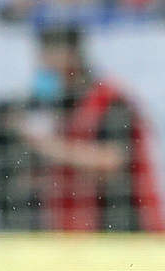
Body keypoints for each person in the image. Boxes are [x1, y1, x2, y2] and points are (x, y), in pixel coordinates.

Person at [16, 25, 162, 232]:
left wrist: (46, 146)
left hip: (123, 231)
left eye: (48, 55)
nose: (42, 64)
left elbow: (112, 159)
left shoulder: (111, 101)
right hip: (73, 235)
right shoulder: (56, 106)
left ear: (70, 56)